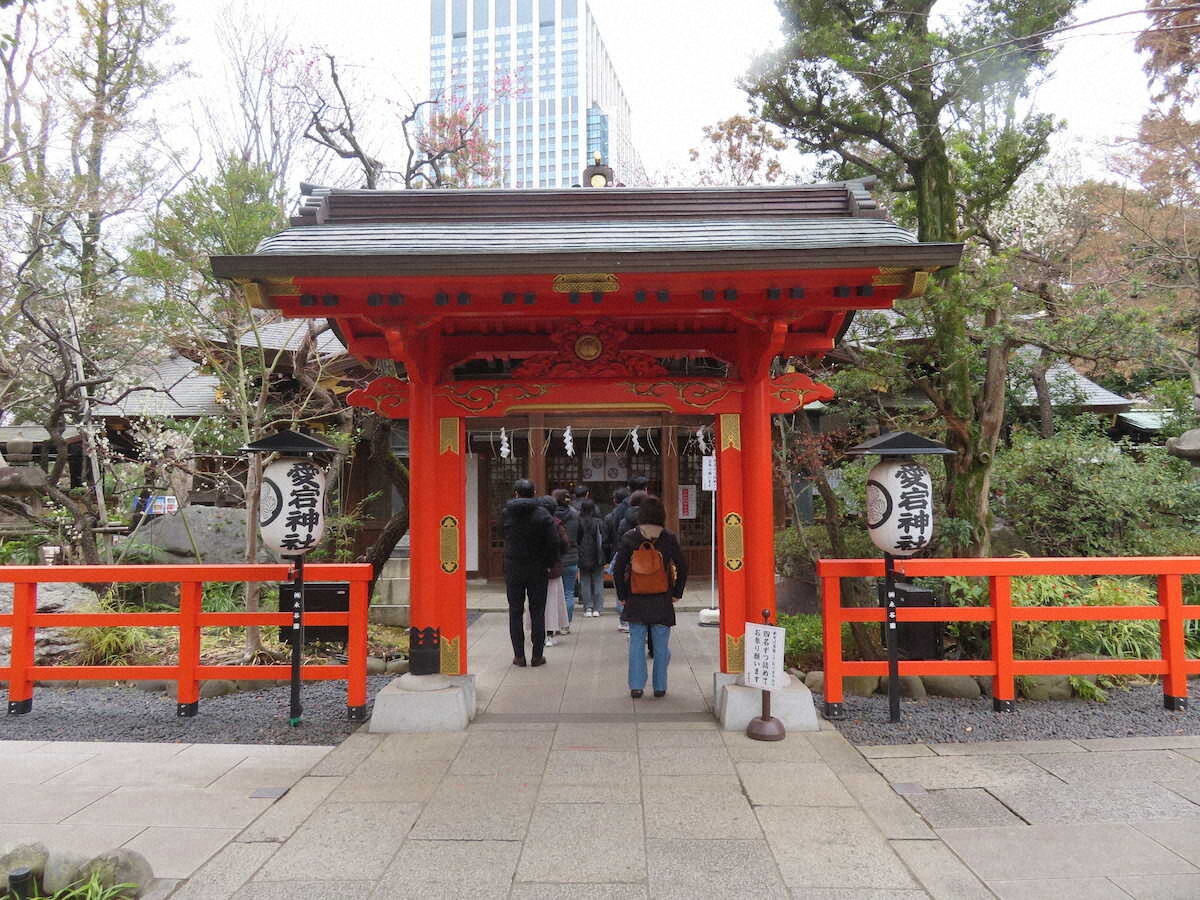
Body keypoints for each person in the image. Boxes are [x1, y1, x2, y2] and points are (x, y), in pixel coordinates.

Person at [612, 495, 687, 699]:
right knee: (661, 644)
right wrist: (676, 593)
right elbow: (682, 565)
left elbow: (618, 569)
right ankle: (660, 686)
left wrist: (622, 595)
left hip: (636, 597)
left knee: (636, 642)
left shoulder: (630, 537)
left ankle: (636, 686)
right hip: (662, 597)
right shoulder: (668, 537)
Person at [502, 479, 560, 667]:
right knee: (538, 612)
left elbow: (503, 534)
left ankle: (519, 655)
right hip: (537, 567)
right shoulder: (542, 514)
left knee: (515, 611)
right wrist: (549, 562)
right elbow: (553, 541)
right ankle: (537, 655)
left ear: (516, 493)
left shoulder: (506, 513)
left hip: (513, 567)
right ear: (534, 492)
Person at [537, 495, 571, 645]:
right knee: (552, 601)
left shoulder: (533, 522)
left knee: (535, 601)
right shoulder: (557, 524)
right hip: (553, 567)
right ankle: (550, 633)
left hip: (535, 568)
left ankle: (537, 632)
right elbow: (564, 544)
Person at [613, 490, 647, 632]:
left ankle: (625, 619)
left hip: (629, 563)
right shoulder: (650, 521)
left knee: (631, 593)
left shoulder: (623, 521)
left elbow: (619, 541)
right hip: (649, 562)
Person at [551, 488, 582, 627]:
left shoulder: (549, 516)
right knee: (569, 592)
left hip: (554, 557)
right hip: (572, 555)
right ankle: (566, 624)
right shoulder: (575, 514)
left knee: (554, 593)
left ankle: (555, 622)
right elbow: (580, 534)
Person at [576, 497, 606, 616]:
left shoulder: (578, 521)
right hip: (597, 554)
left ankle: (587, 607)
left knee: (585, 581)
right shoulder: (598, 522)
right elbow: (604, 538)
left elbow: (577, 538)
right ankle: (597, 608)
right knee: (598, 581)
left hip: (582, 554)